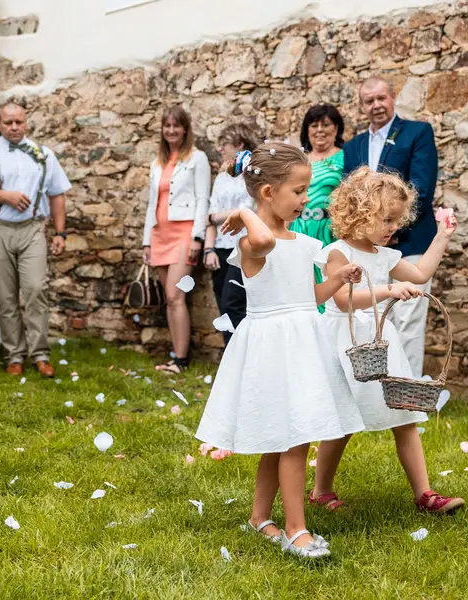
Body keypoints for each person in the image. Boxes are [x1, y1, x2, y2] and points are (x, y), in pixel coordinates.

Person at [195, 143, 363, 559]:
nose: (307, 199)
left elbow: (311, 297)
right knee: (293, 438)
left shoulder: (305, 243)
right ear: (268, 193)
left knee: (282, 438)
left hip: (303, 340)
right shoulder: (253, 243)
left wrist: (338, 278)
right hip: (274, 347)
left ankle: (258, 517)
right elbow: (265, 239)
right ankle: (295, 528)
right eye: (299, 190)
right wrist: (246, 211)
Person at [311, 167, 464, 515]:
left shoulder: (387, 257)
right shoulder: (337, 253)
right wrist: (388, 290)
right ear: (359, 214)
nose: (394, 227)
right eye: (387, 219)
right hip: (345, 344)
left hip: (380, 343)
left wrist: (442, 237)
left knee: (405, 414)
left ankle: (425, 493)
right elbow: (342, 300)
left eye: (397, 220)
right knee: (343, 421)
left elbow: (422, 274)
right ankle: (321, 489)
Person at [342, 77, 438, 377]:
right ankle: (377, 384)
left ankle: (407, 389)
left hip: (410, 241)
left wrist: (392, 226)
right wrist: (367, 233)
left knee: (409, 317)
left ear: (393, 97)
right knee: (373, 316)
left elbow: (420, 186)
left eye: (381, 98)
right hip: (368, 246)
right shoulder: (353, 146)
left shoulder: (417, 133)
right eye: (369, 101)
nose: (376, 105)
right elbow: (351, 194)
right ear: (362, 106)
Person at [0, 102, 71, 378]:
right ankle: (14, 354)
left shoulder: (43, 154)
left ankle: (40, 353)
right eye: (8, 123)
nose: (14, 127)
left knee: (36, 289)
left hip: (34, 227)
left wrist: (60, 233)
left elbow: (57, 193)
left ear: (26, 123)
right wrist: (5, 196)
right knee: (5, 295)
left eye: (19, 122)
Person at [142, 106, 211, 373]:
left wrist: (198, 237)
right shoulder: (157, 163)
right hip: (160, 233)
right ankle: (175, 356)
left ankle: (182, 360)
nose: (171, 131)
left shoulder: (197, 158)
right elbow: (152, 203)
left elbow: (202, 198)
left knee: (175, 294)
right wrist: (147, 241)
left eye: (176, 126)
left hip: (184, 234)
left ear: (185, 129)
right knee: (168, 299)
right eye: (166, 126)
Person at [203, 123, 259, 344]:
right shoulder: (222, 177)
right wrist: (209, 249)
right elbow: (211, 212)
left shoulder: (252, 176)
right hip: (220, 246)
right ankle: (230, 357)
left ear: (240, 145)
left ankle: (243, 358)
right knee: (223, 310)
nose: (220, 149)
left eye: (224, 144)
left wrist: (215, 217)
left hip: (242, 246)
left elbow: (245, 210)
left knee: (233, 302)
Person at [289, 104, 346, 292]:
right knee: (301, 286)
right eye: (314, 125)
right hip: (299, 228)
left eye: (326, 125)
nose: (319, 130)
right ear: (307, 130)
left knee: (331, 285)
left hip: (330, 231)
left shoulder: (345, 157)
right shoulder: (298, 159)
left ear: (336, 128)